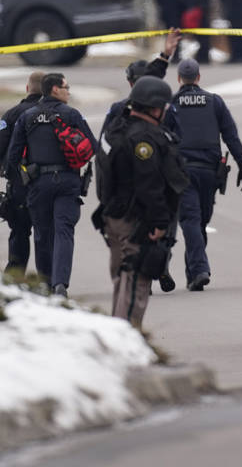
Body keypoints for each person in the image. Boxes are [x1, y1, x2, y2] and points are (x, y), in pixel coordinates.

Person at [94, 76, 189, 327]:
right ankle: (127, 337)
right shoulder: (144, 140)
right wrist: (159, 221)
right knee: (136, 283)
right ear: (155, 108)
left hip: (113, 216)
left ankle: (118, 331)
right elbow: (149, 185)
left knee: (121, 280)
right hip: (136, 221)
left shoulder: (116, 127)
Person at [100, 28, 182, 293]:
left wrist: (165, 56)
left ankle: (145, 276)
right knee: (150, 238)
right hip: (139, 187)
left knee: (145, 238)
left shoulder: (124, 110)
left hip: (133, 192)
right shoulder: (125, 112)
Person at [5, 73, 97, 297]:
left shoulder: (27, 117)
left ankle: (45, 282)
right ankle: (60, 284)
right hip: (68, 181)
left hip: (39, 183)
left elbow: (13, 156)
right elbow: (92, 145)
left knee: (42, 233)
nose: (69, 91)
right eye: (66, 87)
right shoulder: (71, 114)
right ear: (55, 89)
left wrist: (21, 177)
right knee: (64, 231)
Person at [171, 58, 242, 291]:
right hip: (209, 172)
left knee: (193, 221)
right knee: (198, 220)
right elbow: (231, 136)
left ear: (179, 79)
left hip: (182, 172)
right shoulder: (214, 102)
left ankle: (195, 271)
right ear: (198, 77)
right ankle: (198, 270)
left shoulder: (172, 104)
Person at [0, 70, 45, 274]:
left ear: (27, 88)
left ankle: (15, 274)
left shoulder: (12, 114)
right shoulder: (55, 111)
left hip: (19, 183)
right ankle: (46, 277)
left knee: (20, 230)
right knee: (44, 231)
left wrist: (0, 166)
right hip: (46, 181)